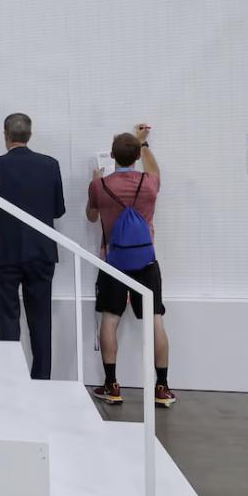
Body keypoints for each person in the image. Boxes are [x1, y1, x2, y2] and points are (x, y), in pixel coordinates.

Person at [85, 127, 176, 407]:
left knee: (110, 319)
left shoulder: (100, 185)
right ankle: (162, 387)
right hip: (146, 261)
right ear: (137, 156)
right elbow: (155, 170)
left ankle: (111, 385)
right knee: (155, 320)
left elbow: (91, 217)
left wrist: (96, 181)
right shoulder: (150, 183)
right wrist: (143, 143)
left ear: (111, 156)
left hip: (114, 262)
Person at [0, 113, 65, 380]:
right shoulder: (50, 165)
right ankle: (42, 380)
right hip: (42, 251)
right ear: (30, 135)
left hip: (4, 253)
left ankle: (10, 378)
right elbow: (58, 210)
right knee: (41, 318)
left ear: (5, 134)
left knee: (7, 318)